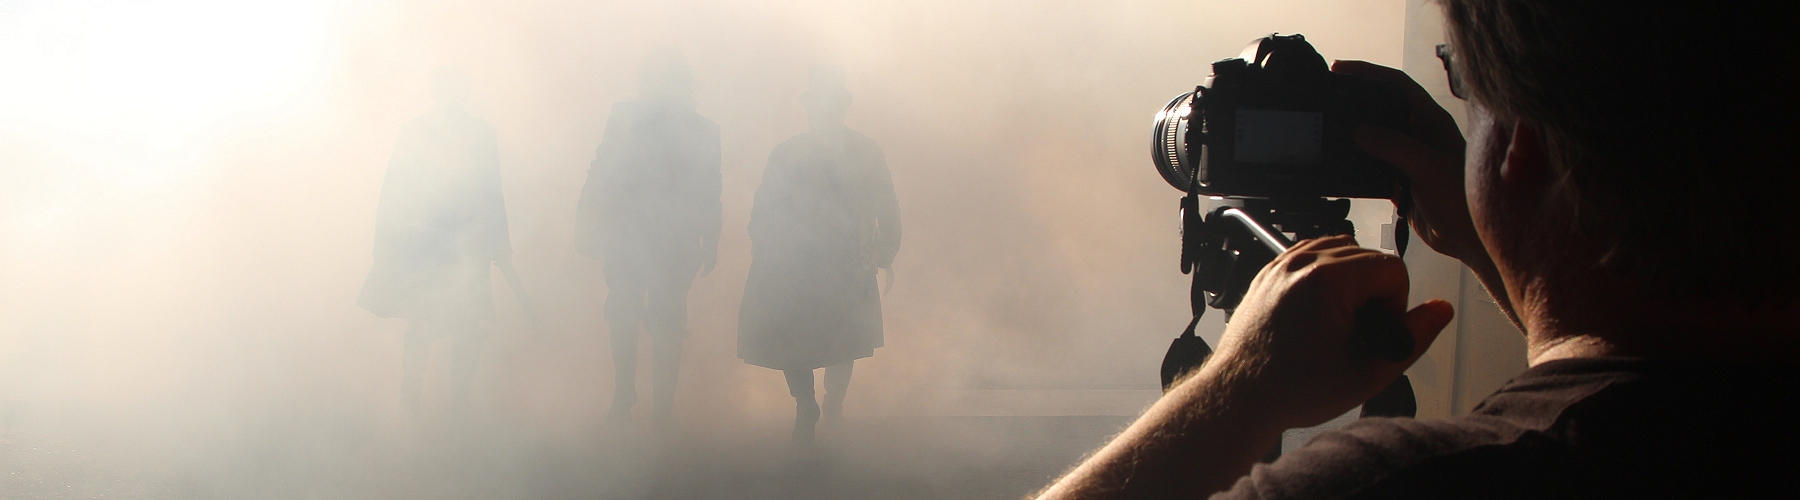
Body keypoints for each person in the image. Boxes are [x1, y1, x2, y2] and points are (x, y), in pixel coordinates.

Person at [1037, 1, 1799, 498]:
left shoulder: (1403, 483)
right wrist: (1496, 237)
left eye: (1465, 84)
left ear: (1524, 142)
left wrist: (1240, 391)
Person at [737, 66, 902, 444]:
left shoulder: (838, 151)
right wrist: (884, 252)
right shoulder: (816, 151)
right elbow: (765, 209)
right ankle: (817, 403)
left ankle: (818, 403)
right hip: (812, 262)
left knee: (827, 338)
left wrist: (885, 251)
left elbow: (886, 204)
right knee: (823, 338)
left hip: (828, 261)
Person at [576, 49, 722, 423]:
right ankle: (625, 391)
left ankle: (662, 409)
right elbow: (601, 168)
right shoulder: (624, 117)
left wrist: (711, 238)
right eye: (656, 78)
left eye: (669, 79)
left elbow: (709, 189)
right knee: (623, 313)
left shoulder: (703, 129)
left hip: (675, 240)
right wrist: (585, 221)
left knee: (668, 324)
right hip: (627, 233)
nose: (662, 86)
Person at [357, 66, 513, 415]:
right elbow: (395, 188)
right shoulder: (416, 132)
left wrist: (500, 242)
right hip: (426, 242)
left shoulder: (480, 133)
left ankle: (456, 403)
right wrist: (385, 241)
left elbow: (491, 191)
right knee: (424, 322)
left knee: (465, 327)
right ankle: (412, 395)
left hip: (465, 244)